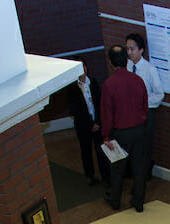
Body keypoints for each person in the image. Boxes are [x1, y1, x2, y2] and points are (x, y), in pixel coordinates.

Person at [101, 45, 149, 213]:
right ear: (127, 60)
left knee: (117, 169)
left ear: (111, 63)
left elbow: (107, 114)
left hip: (120, 133)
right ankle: (138, 202)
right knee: (139, 167)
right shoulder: (137, 80)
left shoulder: (109, 85)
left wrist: (106, 136)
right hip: (139, 130)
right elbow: (145, 106)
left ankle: (115, 201)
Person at [126, 32, 164, 180]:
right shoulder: (127, 66)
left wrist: (141, 103)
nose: (129, 52)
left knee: (145, 147)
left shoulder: (150, 70)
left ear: (141, 50)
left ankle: (144, 175)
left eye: (132, 49)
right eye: (127, 49)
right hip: (130, 115)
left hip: (146, 113)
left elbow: (159, 95)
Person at [68, 69, 109, 186]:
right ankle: (90, 176)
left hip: (97, 123)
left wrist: (97, 122)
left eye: (83, 66)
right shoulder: (72, 88)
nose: (82, 70)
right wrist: (90, 124)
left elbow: (101, 103)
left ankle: (106, 177)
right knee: (86, 151)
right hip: (83, 126)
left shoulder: (93, 83)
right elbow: (74, 110)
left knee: (101, 150)